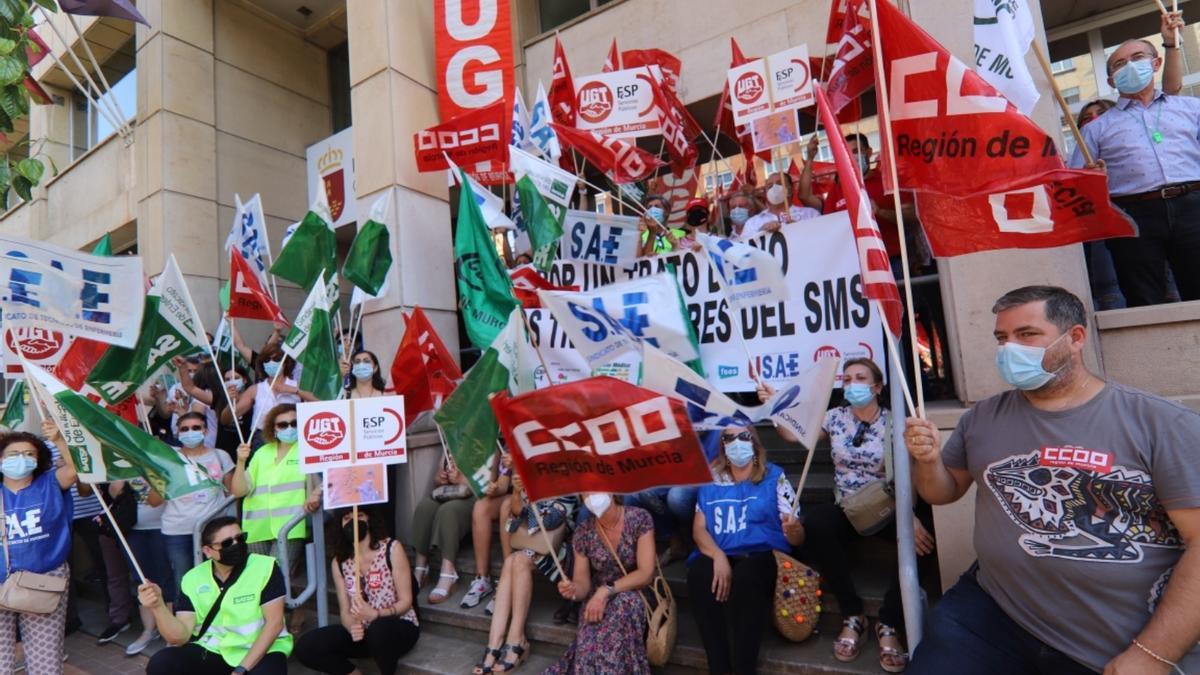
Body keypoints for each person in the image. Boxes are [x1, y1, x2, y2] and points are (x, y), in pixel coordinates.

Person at [904, 285, 1200, 673]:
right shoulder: (981, 418)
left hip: (1111, 640)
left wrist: (1153, 653)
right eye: (1001, 338)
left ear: (1075, 338)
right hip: (992, 612)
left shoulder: (1159, 423)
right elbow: (942, 492)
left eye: (1026, 335)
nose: (1010, 349)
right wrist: (926, 461)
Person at [764, 359, 934, 672]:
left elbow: (909, 474)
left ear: (878, 387)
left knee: (923, 544)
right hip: (846, 506)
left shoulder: (895, 422)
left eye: (860, 378)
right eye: (848, 378)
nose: (853, 383)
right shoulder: (834, 417)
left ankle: (890, 623)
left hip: (887, 506)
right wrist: (775, 406)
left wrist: (909, 515)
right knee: (815, 526)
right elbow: (793, 436)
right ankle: (852, 614)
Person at [1074, 19, 1200, 307]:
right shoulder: (1095, 129)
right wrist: (1091, 180)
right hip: (1133, 215)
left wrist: (1171, 43)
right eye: (1119, 64)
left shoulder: (1191, 108)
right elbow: (1076, 185)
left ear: (1155, 64)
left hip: (1193, 205)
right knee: (1145, 301)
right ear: (1110, 81)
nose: (1129, 66)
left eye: (1137, 58)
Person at [688, 426, 804, 675]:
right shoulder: (711, 479)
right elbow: (699, 530)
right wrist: (718, 556)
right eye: (728, 437)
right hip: (723, 551)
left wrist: (794, 530)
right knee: (699, 574)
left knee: (747, 580)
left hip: (762, 554)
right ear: (722, 445)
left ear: (755, 442)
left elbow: (797, 537)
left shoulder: (775, 476)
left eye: (743, 436)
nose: (736, 442)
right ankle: (718, 667)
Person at [140, 516, 292, 674]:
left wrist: (241, 670)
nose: (236, 545)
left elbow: (274, 624)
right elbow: (180, 637)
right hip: (215, 649)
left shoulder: (265, 567)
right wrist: (158, 606)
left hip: (263, 650)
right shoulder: (192, 578)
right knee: (162, 663)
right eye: (227, 543)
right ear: (207, 551)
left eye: (240, 538)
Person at [230, 404, 322, 633]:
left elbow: (325, 480)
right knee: (260, 581)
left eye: (294, 423)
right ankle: (283, 619)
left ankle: (276, 630)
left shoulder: (308, 449)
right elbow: (239, 491)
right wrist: (241, 462)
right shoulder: (262, 453)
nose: (289, 428)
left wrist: (316, 493)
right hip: (256, 528)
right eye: (283, 424)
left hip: (290, 528)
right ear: (273, 428)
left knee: (275, 578)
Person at [294, 508, 419, 675]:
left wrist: (377, 614)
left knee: (379, 629)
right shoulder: (339, 562)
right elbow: (345, 611)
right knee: (307, 645)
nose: (353, 522)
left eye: (359, 515)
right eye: (346, 518)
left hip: (397, 627)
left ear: (370, 520)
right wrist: (352, 626)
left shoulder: (392, 549)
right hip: (364, 633)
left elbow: (406, 601)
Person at [473, 474, 577, 674]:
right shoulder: (533, 483)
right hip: (531, 547)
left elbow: (549, 522)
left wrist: (524, 507)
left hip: (559, 552)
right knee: (511, 561)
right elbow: (511, 525)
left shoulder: (566, 486)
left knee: (518, 560)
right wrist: (516, 492)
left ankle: (517, 640)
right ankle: (494, 644)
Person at [545, 493, 656, 675]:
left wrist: (605, 591)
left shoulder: (639, 518)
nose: (591, 495)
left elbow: (646, 573)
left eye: (596, 488)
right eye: (586, 492)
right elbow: (582, 584)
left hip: (634, 591)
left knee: (622, 607)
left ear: (611, 489)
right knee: (590, 646)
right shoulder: (584, 531)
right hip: (596, 598)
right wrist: (573, 590)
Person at [0, 422, 79, 675]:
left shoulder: (50, 483)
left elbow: (76, 469)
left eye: (29, 454)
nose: (21, 459)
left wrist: (59, 440)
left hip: (43, 580)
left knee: (45, 661)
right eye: (13, 454)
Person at [798, 133, 919, 277]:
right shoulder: (838, 189)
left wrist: (880, 212)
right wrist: (810, 158)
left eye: (856, 151)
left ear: (868, 152)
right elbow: (805, 196)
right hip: (854, 267)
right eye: (847, 153)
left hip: (892, 262)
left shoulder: (887, 182)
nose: (852, 157)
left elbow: (912, 216)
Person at [162, 412, 236, 597]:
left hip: (213, 531)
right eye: (185, 429)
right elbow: (155, 500)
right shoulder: (169, 459)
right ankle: (189, 624)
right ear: (177, 433)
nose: (191, 432)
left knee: (221, 577)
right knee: (185, 581)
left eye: (196, 428)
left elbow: (233, 494)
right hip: (178, 530)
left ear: (206, 430)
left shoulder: (220, 456)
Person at [111, 477, 170, 655]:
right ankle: (148, 631)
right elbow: (114, 493)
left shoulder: (160, 461)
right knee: (142, 580)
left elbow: (156, 500)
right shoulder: (122, 467)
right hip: (134, 530)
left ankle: (169, 632)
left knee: (167, 580)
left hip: (165, 527)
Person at [410, 458, 474, 604]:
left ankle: (448, 573)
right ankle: (420, 569)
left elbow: (489, 483)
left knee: (448, 511)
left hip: (473, 496)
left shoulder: (487, 442)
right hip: (450, 492)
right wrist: (442, 477)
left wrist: (461, 479)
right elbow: (437, 479)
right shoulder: (450, 439)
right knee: (425, 507)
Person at [462, 450, 513, 611]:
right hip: (516, 495)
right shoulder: (508, 447)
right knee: (481, 506)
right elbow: (504, 485)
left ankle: (508, 579)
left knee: (507, 507)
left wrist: (517, 467)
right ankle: (482, 579)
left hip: (537, 498)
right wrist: (494, 489)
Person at [738, 171, 819, 241]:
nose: (774, 188)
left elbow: (821, 238)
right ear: (766, 192)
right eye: (769, 186)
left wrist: (800, 229)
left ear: (790, 190)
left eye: (779, 183)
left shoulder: (810, 214)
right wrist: (761, 232)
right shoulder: (752, 223)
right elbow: (744, 250)